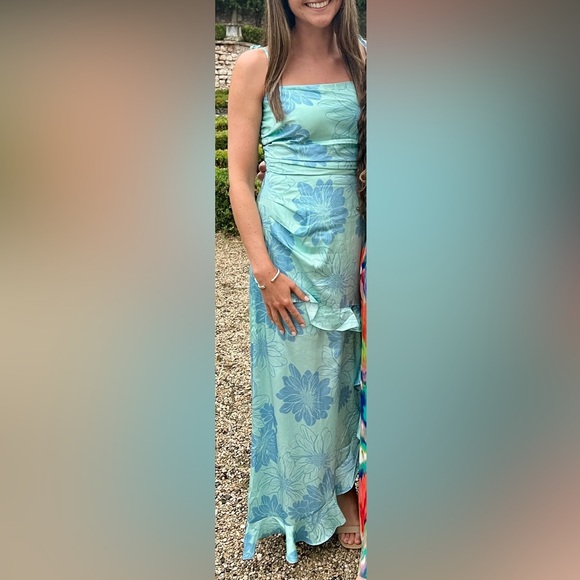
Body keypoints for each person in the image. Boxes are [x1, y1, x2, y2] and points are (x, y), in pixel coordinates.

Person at [227, 0, 366, 565]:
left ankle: (344, 485)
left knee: (347, 372)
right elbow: (239, 178)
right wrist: (265, 272)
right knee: (294, 382)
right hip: (284, 251)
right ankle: (299, 501)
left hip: (350, 245)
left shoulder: (365, 62)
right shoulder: (256, 66)